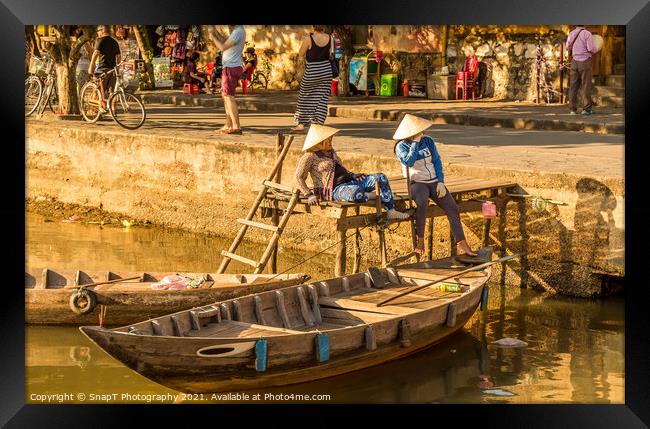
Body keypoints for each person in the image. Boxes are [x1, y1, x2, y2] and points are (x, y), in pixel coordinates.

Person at [393, 114, 478, 256]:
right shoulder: (401, 147)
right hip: (417, 183)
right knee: (422, 204)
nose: (423, 132)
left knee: (453, 208)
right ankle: (420, 239)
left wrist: (441, 182)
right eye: (418, 130)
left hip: (434, 181)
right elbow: (409, 162)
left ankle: (462, 242)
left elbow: (437, 161)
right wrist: (415, 143)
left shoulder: (428, 141)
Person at [295, 124, 409, 220]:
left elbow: (339, 169)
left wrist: (353, 175)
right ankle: (373, 195)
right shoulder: (309, 157)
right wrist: (309, 195)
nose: (330, 141)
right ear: (318, 142)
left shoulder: (331, 152)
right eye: (327, 140)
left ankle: (391, 210)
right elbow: (298, 178)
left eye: (331, 139)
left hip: (350, 182)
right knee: (356, 193)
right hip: (335, 190)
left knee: (380, 177)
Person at [291, 26, 333, 132]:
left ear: (313, 26)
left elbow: (301, 53)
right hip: (326, 70)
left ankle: (301, 124)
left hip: (313, 71)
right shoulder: (330, 38)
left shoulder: (309, 38)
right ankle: (318, 123)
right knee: (322, 98)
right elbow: (331, 55)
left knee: (304, 97)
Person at [207, 25, 246, 134]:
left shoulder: (238, 31)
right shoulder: (236, 31)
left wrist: (212, 35)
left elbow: (222, 47)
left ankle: (236, 126)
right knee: (225, 96)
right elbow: (226, 41)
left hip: (231, 67)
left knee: (229, 97)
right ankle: (228, 124)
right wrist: (215, 33)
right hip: (230, 67)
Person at [87, 25, 121, 111]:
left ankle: (95, 110)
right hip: (112, 70)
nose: (97, 33)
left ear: (102, 30)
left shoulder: (100, 40)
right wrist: (117, 68)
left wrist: (91, 66)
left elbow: (95, 53)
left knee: (98, 90)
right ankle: (113, 109)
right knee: (111, 91)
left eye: (98, 31)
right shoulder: (115, 42)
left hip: (102, 69)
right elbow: (119, 57)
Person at [566, 25, 596, 115]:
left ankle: (572, 109)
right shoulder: (587, 33)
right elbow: (590, 48)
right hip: (584, 62)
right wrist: (596, 48)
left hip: (574, 62)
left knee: (573, 86)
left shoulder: (571, 33)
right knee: (586, 85)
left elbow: (568, 47)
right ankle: (586, 109)